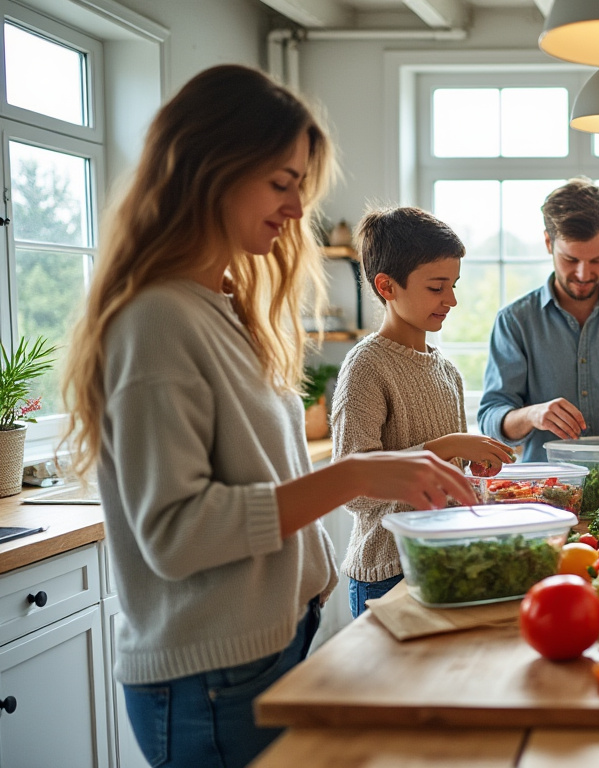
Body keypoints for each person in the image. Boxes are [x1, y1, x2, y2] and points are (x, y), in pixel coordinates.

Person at [60, 65, 475, 768]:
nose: (296, 208)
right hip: (210, 681)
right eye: (281, 183)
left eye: (300, 187)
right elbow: (177, 533)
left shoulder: (220, 307)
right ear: (209, 169)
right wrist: (355, 474)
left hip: (268, 652)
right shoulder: (157, 318)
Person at [330, 207, 515, 617]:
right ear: (387, 286)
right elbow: (353, 488)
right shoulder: (366, 366)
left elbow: (449, 474)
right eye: (437, 287)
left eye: (454, 285)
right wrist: (445, 447)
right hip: (388, 570)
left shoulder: (446, 370)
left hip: (445, 557)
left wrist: (476, 468)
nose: (451, 299)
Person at [479, 178, 599, 462]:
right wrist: (532, 414)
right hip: (545, 490)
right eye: (570, 260)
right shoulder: (515, 321)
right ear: (549, 242)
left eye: (598, 260)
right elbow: (491, 417)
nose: (584, 274)